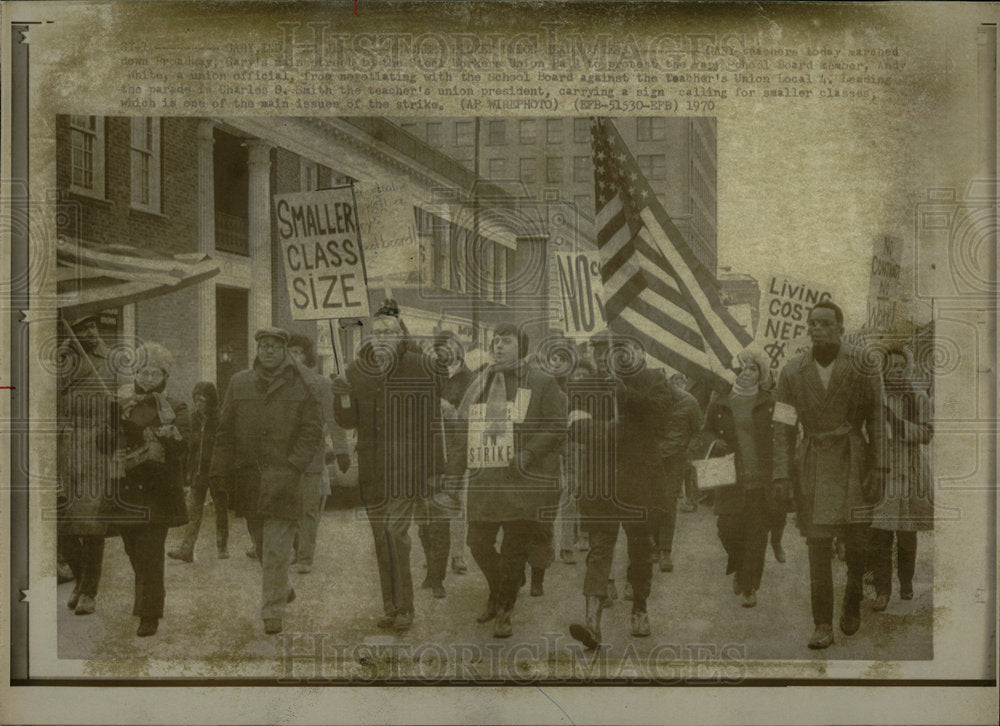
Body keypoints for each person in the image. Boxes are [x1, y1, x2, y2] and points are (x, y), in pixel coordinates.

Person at [568, 331, 700, 648]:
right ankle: (591, 622)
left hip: (640, 482)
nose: (604, 358)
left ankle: (640, 607)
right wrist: (618, 431)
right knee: (599, 550)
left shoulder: (655, 381)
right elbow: (576, 428)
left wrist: (623, 393)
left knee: (640, 550)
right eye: (598, 352)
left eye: (612, 351)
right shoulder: (583, 386)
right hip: (599, 483)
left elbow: (657, 418)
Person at [773, 300, 885, 649]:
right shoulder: (792, 371)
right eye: (812, 323)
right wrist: (781, 474)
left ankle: (852, 601)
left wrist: (880, 467)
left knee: (858, 544)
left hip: (854, 460)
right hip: (814, 464)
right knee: (817, 547)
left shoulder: (863, 364)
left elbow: (877, 419)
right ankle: (822, 623)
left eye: (824, 323)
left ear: (839, 327)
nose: (816, 329)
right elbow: (782, 427)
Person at [446, 323, 567, 638]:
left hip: (522, 482)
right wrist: (452, 478)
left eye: (506, 342)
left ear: (522, 347)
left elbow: (556, 426)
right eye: (495, 341)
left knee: (514, 550)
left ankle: (504, 610)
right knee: (477, 544)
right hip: (486, 482)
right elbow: (462, 432)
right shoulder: (479, 383)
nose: (498, 347)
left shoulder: (541, 382)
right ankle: (502, 588)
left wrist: (527, 454)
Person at [332, 301, 441, 631]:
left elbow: (431, 423)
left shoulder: (420, 366)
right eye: (376, 332)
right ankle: (391, 607)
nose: (381, 338)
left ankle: (406, 608)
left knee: (395, 533)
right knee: (382, 538)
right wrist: (342, 396)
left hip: (406, 469)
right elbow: (348, 420)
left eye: (388, 332)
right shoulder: (355, 372)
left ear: (400, 335)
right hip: (374, 469)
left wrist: (434, 471)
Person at [209, 327, 324, 635]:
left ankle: (272, 610)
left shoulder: (303, 385)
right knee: (261, 546)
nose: (269, 350)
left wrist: (294, 466)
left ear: (285, 350)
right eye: (264, 345)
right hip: (248, 479)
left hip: (284, 479)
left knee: (275, 549)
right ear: (257, 349)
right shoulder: (239, 382)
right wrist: (219, 470)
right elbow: (224, 432)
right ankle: (281, 587)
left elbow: (312, 432)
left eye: (275, 346)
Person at [106, 342, 190, 637]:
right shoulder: (121, 403)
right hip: (127, 491)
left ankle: (149, 613)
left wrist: (170, 435)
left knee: (150, 553)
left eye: (155, 372)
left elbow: (183, 448)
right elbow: (101, 444)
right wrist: (115, 418)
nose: (149, 377)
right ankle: (147, 598)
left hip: (159, 493)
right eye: (144, 371)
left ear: (165, 376)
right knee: (133, 551)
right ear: (136, 373)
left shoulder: (176, 406)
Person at [704, 348, 777, 608]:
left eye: (753, 368)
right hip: (730, 479)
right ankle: (738, 566)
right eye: (742, 367)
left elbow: (783, 436)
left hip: (761, 480)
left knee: (757, 535)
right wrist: (716, 442)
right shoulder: (721, 401)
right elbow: (705, 433)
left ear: (761, 372)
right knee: (727, 530)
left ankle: (749, 586)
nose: (746, 373)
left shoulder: (770, 401)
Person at [56, 312, 115, 616]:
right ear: (72, 331)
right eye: (83, 327)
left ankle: (90, 590)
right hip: (65, 446)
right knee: (62, 523)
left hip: (97, 447)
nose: (91, 331)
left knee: (93, 523)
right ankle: (79, 580)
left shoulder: (109, 360)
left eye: (93, 325)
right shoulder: (61, 361)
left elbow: (118, 402)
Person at [867, 347, 933, 610]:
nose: (895, 370)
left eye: (899, 366)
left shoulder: (917, 398)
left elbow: (928, 432)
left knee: (907, 532)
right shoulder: (873, 398)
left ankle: (906, 580)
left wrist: (900, 426)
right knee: (880, 534)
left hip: (909, 469)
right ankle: (883, 590)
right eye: (890, 365)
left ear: (906, 368)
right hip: (882, 470)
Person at [286, 334, 351, 575]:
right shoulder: (279, 384)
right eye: (289, 352)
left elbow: (334, 420)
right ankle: (293, 549)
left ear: (307, 355)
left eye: (298, 352)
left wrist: (342, 450)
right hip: (284, 458)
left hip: (312, 457)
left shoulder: (321, 384)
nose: (293, 357)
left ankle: (305, 556)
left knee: (309, 508)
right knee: (287, 507)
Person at [168, 382, 226, 562]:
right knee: (193, 512)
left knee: (221, 510)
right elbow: (188, 448)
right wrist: (188, 472)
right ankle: (187, 549)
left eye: (203, 400)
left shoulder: (221, 420)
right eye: (196, 400)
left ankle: (222, 546)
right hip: (198, 473)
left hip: (217, 473)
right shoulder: (192, 420)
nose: (199, 404)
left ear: (211, 401)